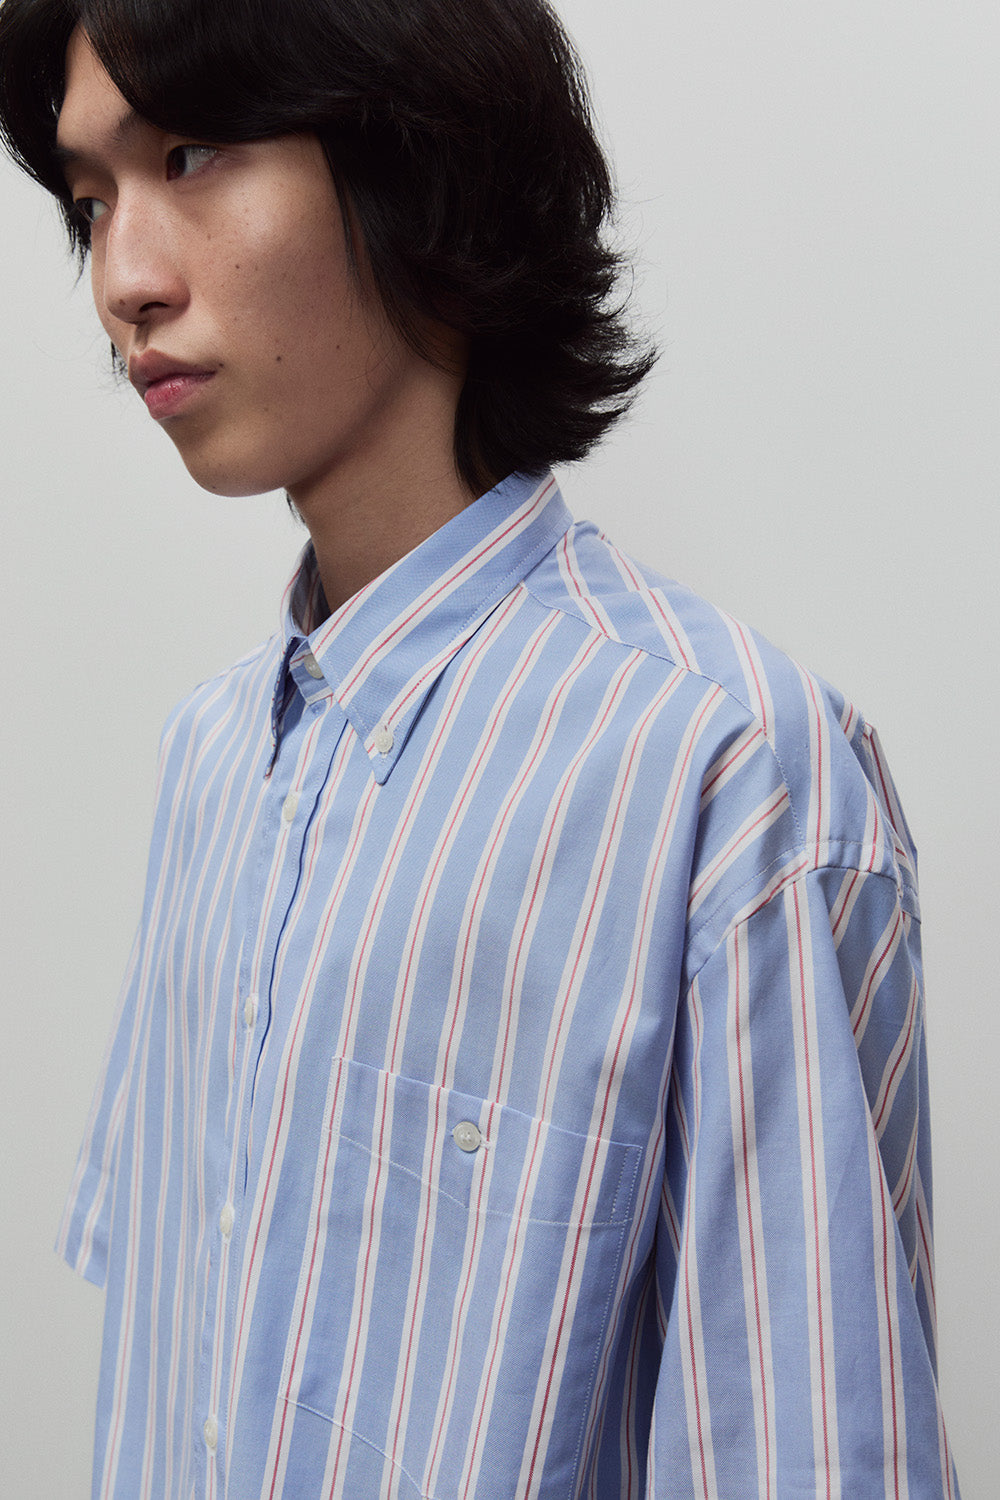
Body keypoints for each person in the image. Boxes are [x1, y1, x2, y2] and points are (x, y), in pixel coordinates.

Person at [0, 0, 960, 1494]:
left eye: (189, 155)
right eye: (90, 201)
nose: (123, 280)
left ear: (419, 161)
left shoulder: (721, 771)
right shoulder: (212, 759)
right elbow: (173, 1369)